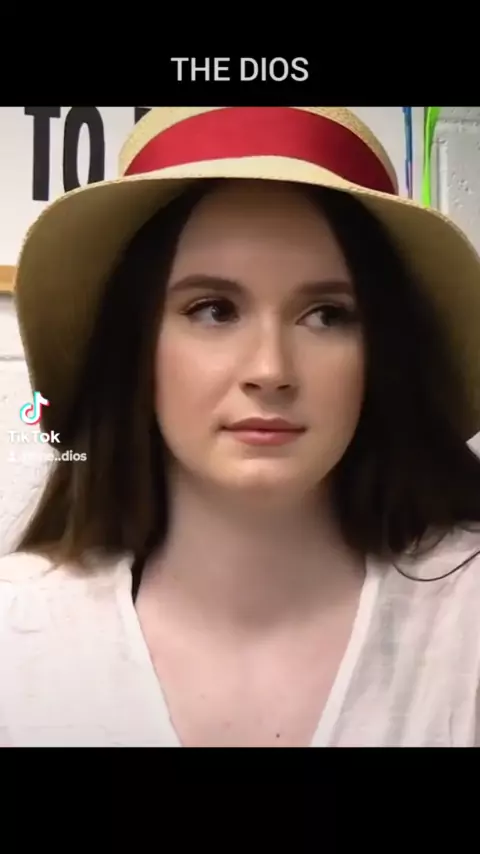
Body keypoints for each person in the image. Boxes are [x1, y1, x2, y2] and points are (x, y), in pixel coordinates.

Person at [2, 106, 480, 748]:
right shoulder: (17, 637)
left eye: (327, 315)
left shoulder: (465, 628)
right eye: (213, 310)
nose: (270, 370)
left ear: (382, 353)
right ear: (136, 345)